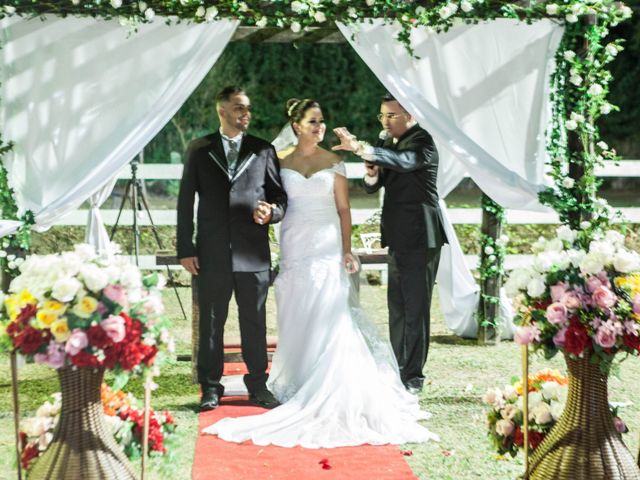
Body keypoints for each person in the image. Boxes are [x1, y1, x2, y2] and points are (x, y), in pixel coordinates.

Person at [202, 98, 437, 448]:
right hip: (296, 242)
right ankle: (299, 374)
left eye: (322, 121)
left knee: (350, 308)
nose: (320, 127)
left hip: (334, 243)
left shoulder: (405, 147)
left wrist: (345, 248)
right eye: (313, 121)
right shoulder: (277, 159)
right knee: (302, 307)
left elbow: (345, 208)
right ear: (296, 125)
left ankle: (397, 375)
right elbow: (273, 196)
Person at [176, 86, 287, 412]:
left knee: (254, 322)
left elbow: (280, 198)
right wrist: (186, 247)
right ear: (222, 110)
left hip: (253, 254)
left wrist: (272, 212)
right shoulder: (199, 149)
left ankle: (257, 384)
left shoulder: (263, 149)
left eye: (247, 108)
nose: (246, 114)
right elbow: (185, 202)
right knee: (211, 322)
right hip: (211, 253)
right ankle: (211, 387)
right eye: (239, 108)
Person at [333, 93, 448, 395]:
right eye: (382, 115)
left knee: (416, 308)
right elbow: (375, 186)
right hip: (397, 235)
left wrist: (360, 147)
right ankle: (397, 368)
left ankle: (413, 376)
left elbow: (404, 162)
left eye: (392, 116)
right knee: (396, 306)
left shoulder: (423, 141)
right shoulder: (387, 143)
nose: (385, 122)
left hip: (422, 236)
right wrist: (372, 175)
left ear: (410, 114)